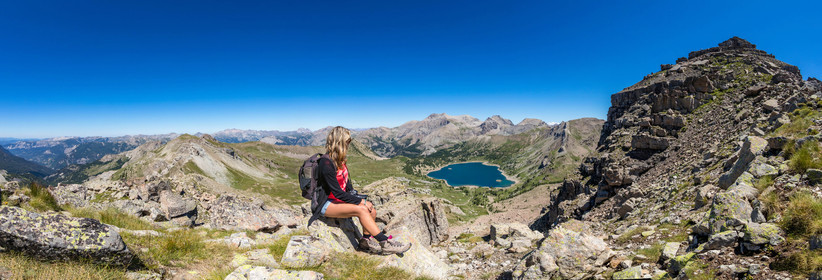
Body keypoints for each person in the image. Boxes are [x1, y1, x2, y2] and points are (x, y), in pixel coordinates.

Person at [314, 126, 411, 255]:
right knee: (362, 209)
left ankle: (365, 240)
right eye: (347, 142)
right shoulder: (326, 163)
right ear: (340, 142)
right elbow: (337, 193)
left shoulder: (341, 162)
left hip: (337, 200)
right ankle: (384, 243)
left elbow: (348, 188)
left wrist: (362, 200)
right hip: (326, 204)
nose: (349, 145)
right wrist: (361, 203)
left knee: (372, 210)